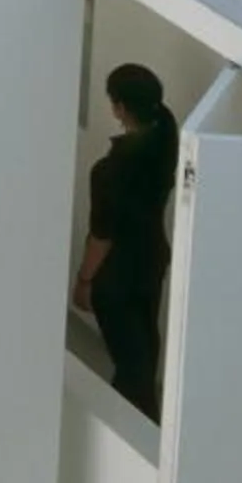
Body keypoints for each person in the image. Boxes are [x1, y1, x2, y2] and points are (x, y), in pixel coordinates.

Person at [75, 62, 178, 418]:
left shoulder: (107, 173)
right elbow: (160, 112)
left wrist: (84, 281)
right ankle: (148, 425)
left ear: (119, 108)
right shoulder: (167, 139)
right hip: (151, 261)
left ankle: (131, 429)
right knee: (146, 353)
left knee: (129, 363)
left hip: (116, 277)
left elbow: (101, 237)